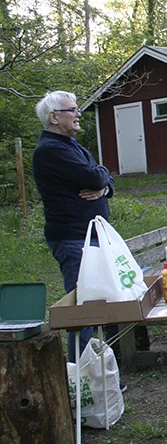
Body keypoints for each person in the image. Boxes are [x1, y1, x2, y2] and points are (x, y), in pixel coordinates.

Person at [32, 91, 116, 361]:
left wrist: (104, 186)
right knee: (82, 310)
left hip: (92, 235)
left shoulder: (71, 145)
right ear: (54, 117)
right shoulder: (51, 150)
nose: (78, 114)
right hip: (73, 238)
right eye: (72, 110)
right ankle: (81, 374)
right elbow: (96, 175)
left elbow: (103, 178)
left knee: (98, 302)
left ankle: (100, 367)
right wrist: (101, 178)